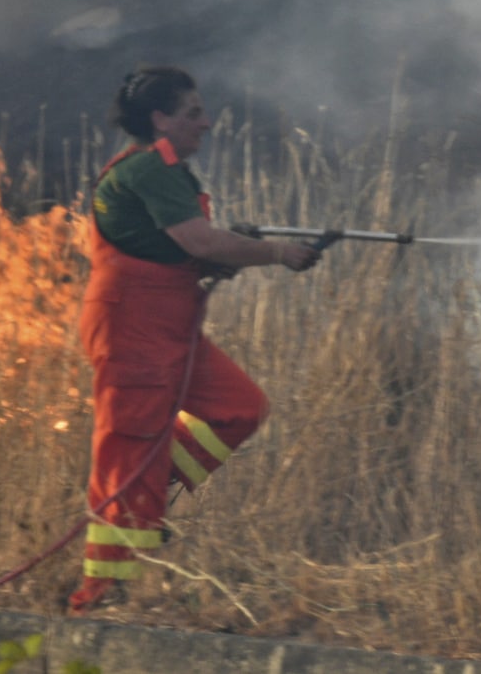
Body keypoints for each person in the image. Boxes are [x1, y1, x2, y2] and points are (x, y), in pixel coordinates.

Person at [69, 65, 321, 615]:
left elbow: (189, 248)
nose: (205, 124)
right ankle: (103, 595)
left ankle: (148, 497)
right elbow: (198, 239)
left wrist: (229, 251)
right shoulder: (151, 169)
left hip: (165, 324)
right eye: (193, 113)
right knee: (129, 445)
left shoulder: (160, 171)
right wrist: (277, 252)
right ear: (160, 119)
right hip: (132, 326)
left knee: (240, 408)